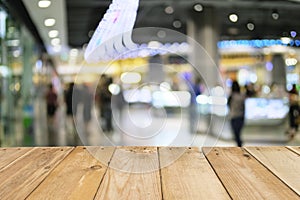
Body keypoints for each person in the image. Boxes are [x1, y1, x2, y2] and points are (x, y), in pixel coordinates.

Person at [228, 81, 245, 147]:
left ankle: (239, 145)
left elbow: (228, 106)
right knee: (238, 134)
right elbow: (244, 108)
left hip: (234, 117)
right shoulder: (241, 96)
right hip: (240, 117)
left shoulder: (231, 97)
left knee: (236, 134)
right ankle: (239, 145)